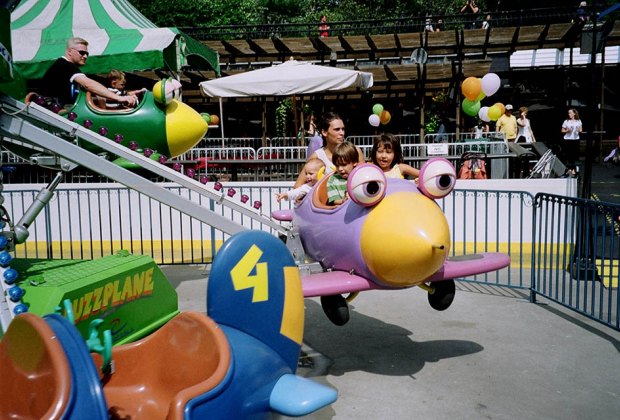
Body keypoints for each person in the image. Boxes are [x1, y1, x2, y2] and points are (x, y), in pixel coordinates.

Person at [40, 37, 137, 108]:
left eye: (87, 53)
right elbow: (88, 84)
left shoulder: (65, 66)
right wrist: (119, 98)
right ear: (69, 51)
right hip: (52, 115)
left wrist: (124, 95)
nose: (85, 56)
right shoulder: (65, 66)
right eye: (82, 52)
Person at [294, 112, 365, 189]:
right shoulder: (317, 156)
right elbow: (297, 186)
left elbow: (364, 179)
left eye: (343, 129)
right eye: (337, 129)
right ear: (324, 132)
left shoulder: (355, 151)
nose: (342, 133)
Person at [561, 108, 583, 176]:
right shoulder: (566, 121)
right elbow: (562, 130)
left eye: (570, 113)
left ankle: (573, 169)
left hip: (575, 139)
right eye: (568, 113)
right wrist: (567, 130)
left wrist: (578, 130)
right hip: (568, 139)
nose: (569, 114)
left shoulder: (578, 121)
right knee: (568, 154)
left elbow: (581, 129)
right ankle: (569, 169)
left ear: (574, 113)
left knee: (574, 154)